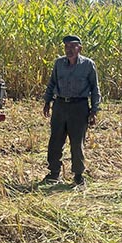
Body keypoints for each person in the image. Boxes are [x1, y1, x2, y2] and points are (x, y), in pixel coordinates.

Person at [42, 35, 101, 186]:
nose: (69, 49)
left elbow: (95, 89)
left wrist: (94, 110)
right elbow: (52, 83)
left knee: (76, 142)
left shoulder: (88, 65)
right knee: (55, 140)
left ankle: (78, 175)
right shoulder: (59, 63)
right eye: (67, 46)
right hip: (60, 105)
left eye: (73, 46)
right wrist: (47, 101)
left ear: (79, 48)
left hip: (79, 107)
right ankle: (54, 173)